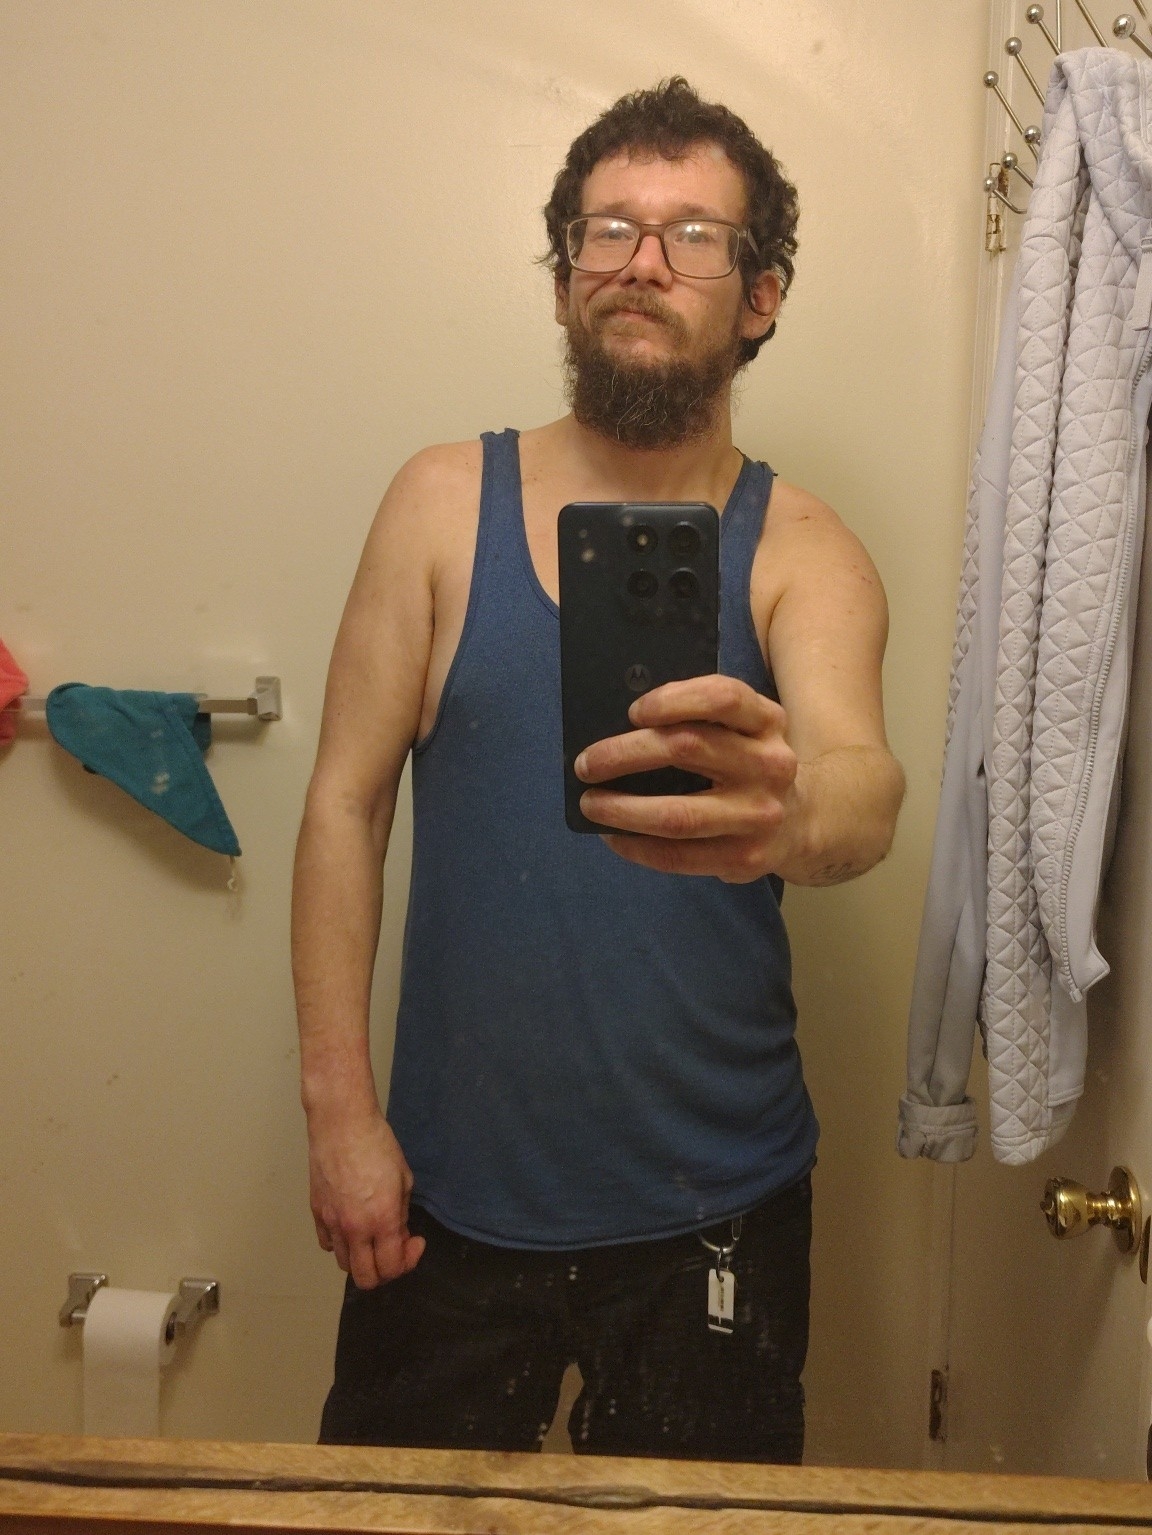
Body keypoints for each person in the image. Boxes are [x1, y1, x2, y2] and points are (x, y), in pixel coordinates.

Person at [292, 76, 904, 1464]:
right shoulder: (439, 504)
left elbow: (864, 787)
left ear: (760, 297)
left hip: (718, 1201)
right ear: (566, 271)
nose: (641, 260)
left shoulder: (805, 549)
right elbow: (343, 803)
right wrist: (340, 1114)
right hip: (446, 1190)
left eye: (694, 236)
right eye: (609, 228)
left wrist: (789, 812)